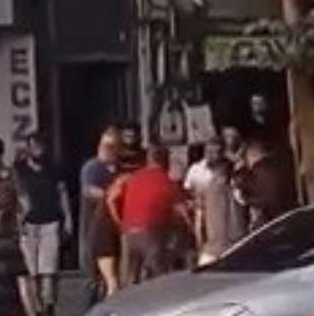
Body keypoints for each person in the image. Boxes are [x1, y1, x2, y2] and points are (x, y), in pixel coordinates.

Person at [14, 132, 73, 316]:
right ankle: (36, 311)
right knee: (32, 272)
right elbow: (15, 196)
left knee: (49, 269)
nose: (37, 150)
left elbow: (62, 193)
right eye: (33, 146)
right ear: (27, 149)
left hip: (50, 222)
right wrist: (17, 220)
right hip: (28, 225)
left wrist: (68, 219)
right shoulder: (20, 170)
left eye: (40, 146)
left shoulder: (54, 169)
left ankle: (49, 309)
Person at [109, 144, 187, 284]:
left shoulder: (132, 178)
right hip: (151, 233)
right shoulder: (166, 181)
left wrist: (119, 222)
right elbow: (182, 212)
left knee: (129, 278)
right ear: (166, 161)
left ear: (148, 160)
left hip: (128, 233)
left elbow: (112, 199)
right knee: (160, 278)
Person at [79, 128, 120, 305]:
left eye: (111, 147)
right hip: (92, 229)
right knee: (92, 279)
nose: (106, 150)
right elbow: (88, 190)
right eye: (104, 146)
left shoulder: (118, 170)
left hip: (113, 230)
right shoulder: (92, 167)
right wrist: (111, 194)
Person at [192, 137, 237, 263]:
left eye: (215, 152)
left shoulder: (215, 187)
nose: (211, 156)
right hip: (226, 245)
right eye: (208, 152)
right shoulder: (204, 178)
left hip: (218, 247)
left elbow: (200, 221)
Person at [236, 139, 297, 230]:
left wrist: (245, 198)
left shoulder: (260, 170)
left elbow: (262, 197)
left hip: (273, 221)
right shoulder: (278, 165)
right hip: (288, 214)